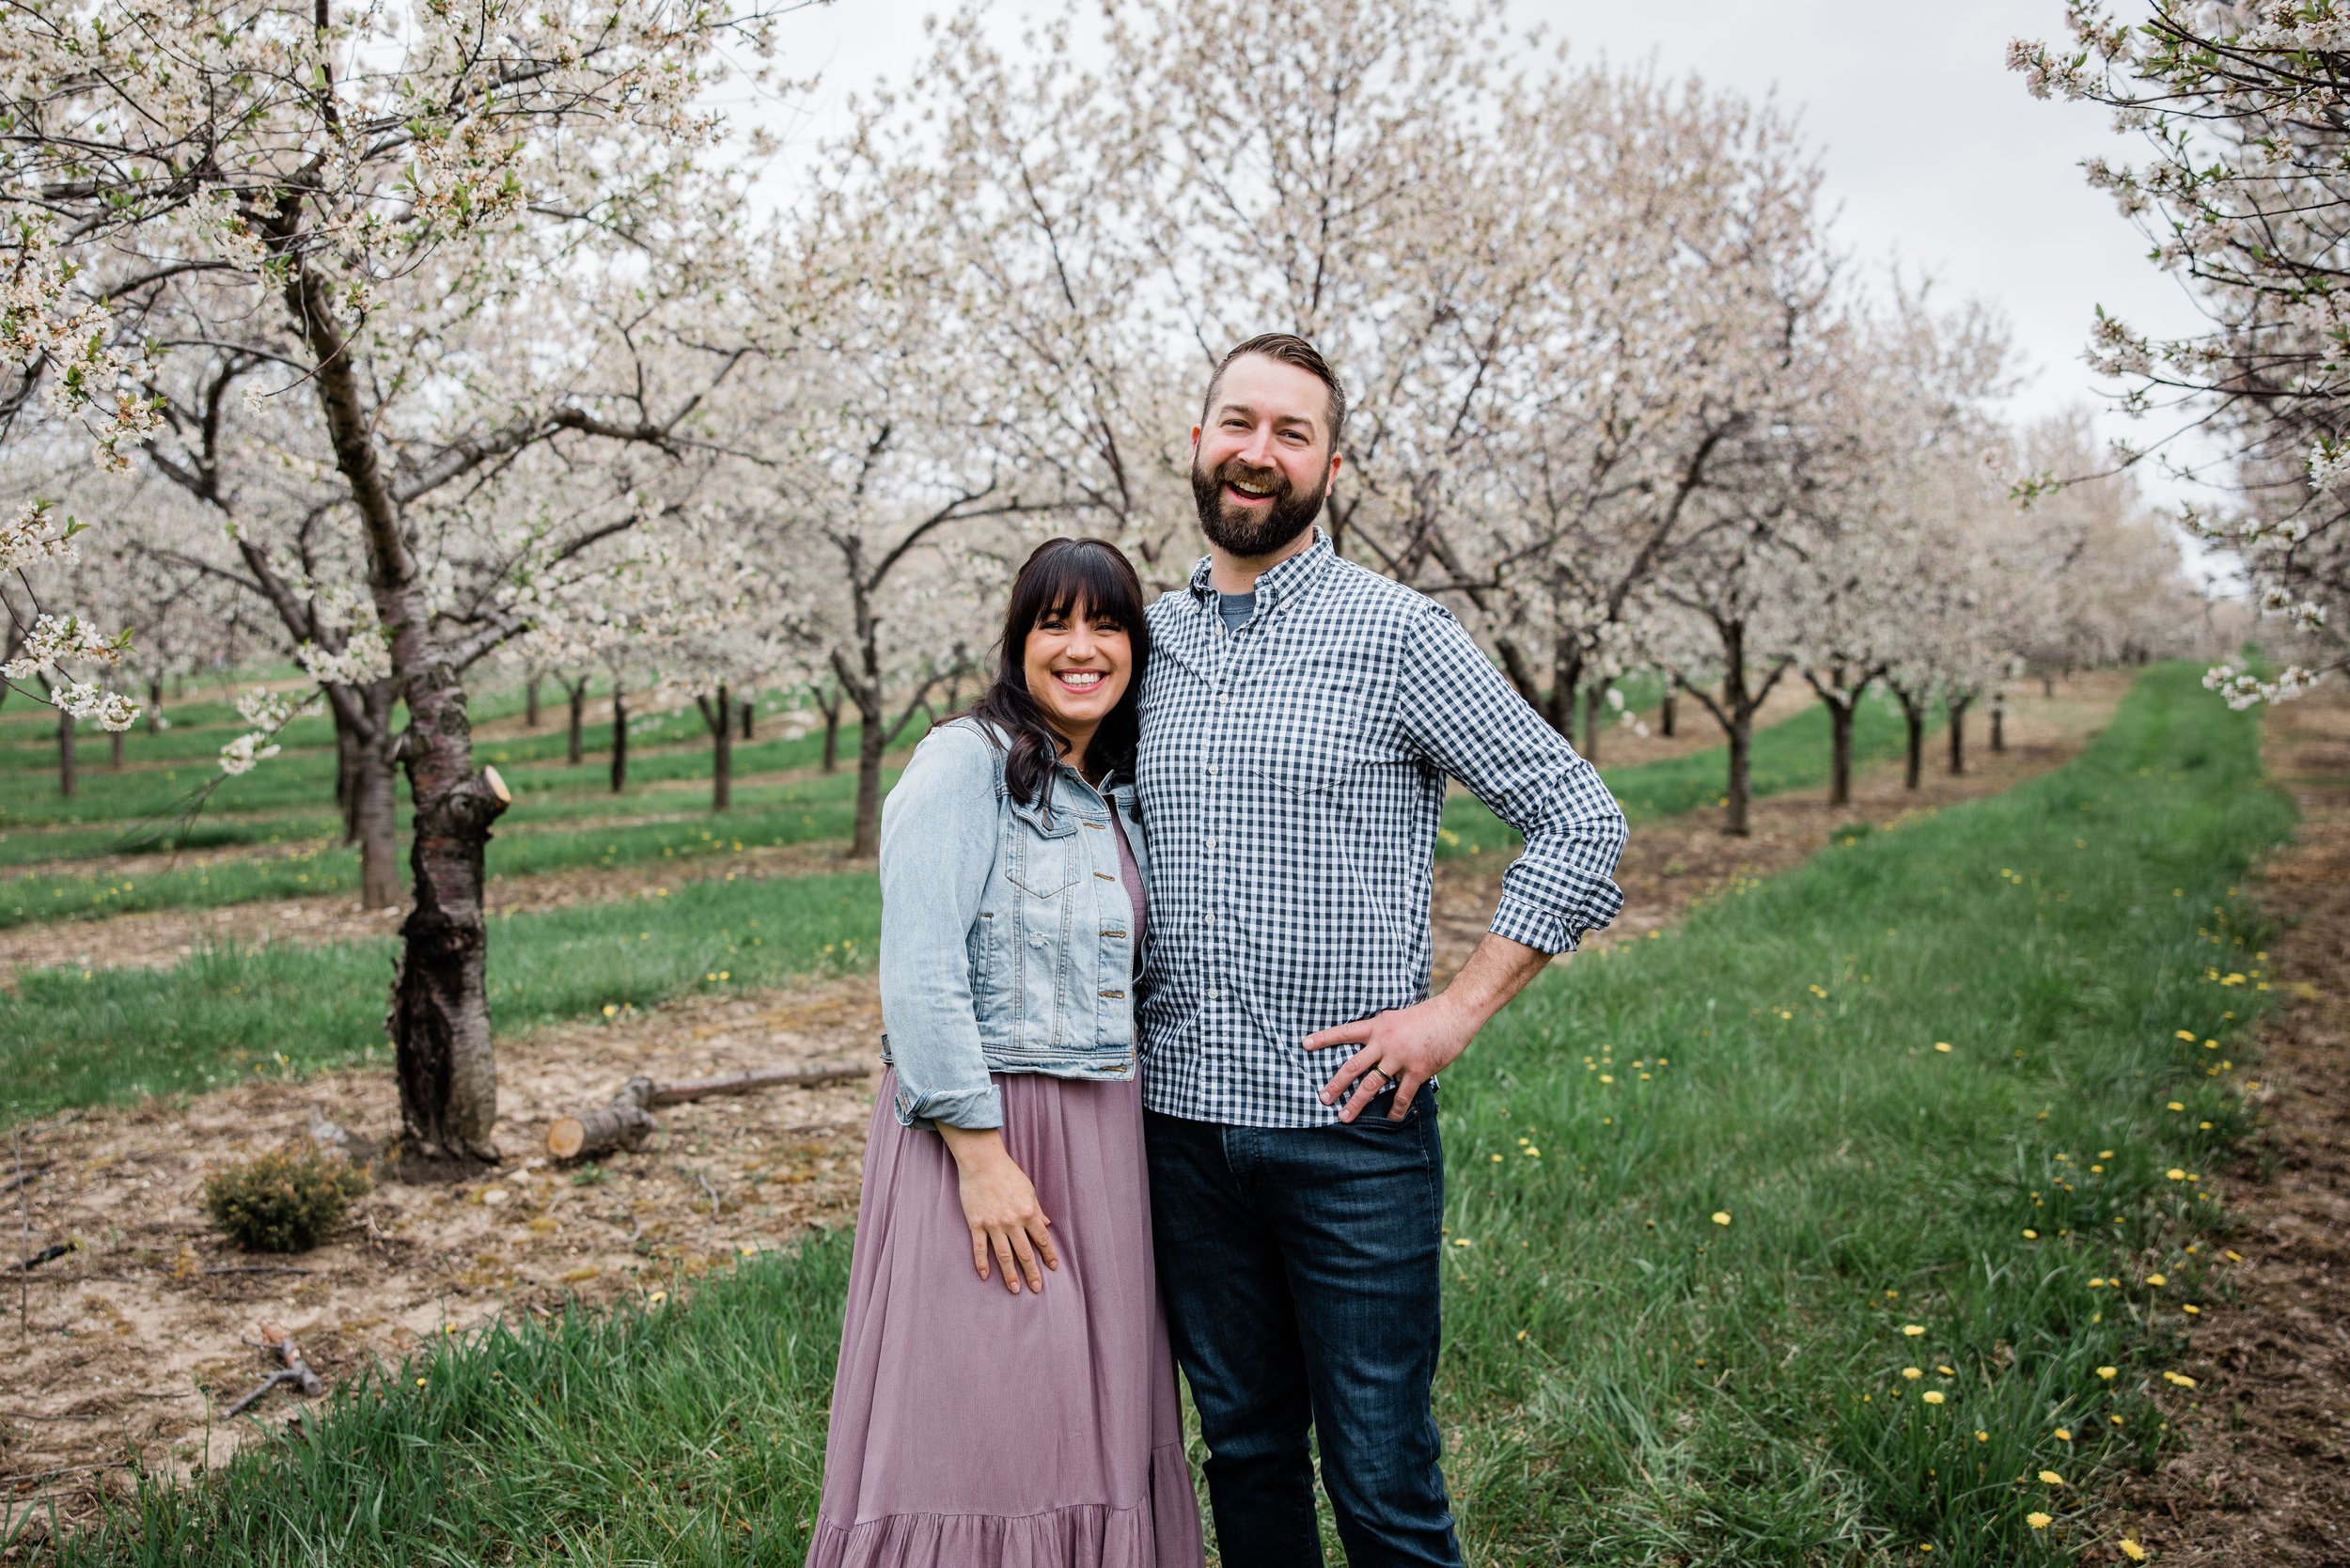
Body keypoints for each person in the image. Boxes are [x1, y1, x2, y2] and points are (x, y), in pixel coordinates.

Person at [1136, 334, 1630, 1567]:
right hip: (1178, 1133)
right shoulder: (1141, 646)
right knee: (1245, 1455)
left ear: (1332, 465)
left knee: (1381, 1479)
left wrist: (1456, 1011)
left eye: (1291, 433)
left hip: (1349, 1131)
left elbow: (1581, 815)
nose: (1258, 453)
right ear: (1197, 444)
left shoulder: (1397, 634)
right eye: (1237, 423)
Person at [807, 538, 1205, 1567]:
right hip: (981, 1134)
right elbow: (920, 969)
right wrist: (979, 1159)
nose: (1082, 648)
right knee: (985, 1417)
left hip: (1104, 1135)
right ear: (1017, 642)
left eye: (1107, 625)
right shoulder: (962, 762)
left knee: (1094, 1414)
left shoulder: (1114, 789)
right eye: (1055, 623)